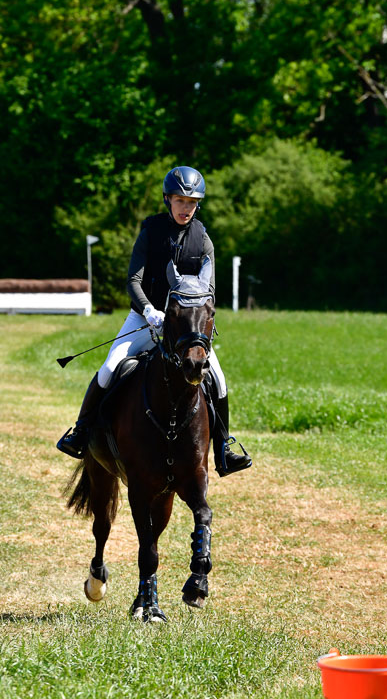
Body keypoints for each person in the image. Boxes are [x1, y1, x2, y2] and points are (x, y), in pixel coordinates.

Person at [57, 165, 252, 477]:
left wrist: (189, 322)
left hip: (184, 328)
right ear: (167, 200)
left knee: (219, 379)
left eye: (192, 202)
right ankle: (80, 433)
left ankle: (224, 449)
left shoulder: (203, 240)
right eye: (180, 201)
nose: (185, 208)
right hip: (143, 319)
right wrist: (148, 309)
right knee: (110, 367)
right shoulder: (150, 232)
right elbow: (133, 281)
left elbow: (209, 292)